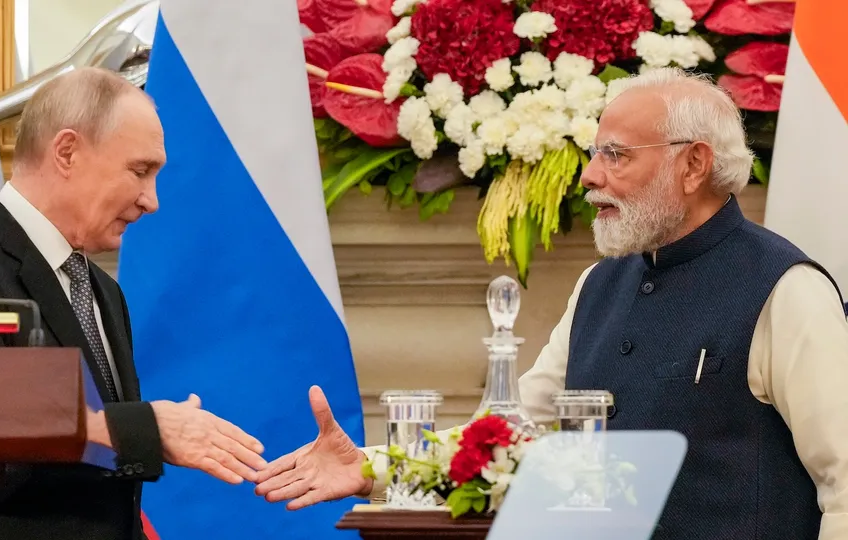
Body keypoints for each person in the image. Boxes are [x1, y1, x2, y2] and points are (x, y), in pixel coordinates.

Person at [254, 68, 848, 539]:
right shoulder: (598, 284)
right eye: (594, 154)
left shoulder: (786, 289)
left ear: (693, 164)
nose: (588, 176)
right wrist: (373, 468)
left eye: (615, 154)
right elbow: (512, 437)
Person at [0, 67, 267, 540]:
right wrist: (143, 429)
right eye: (140, 171)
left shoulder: (103, 291)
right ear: (67, 152)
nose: (152, 200)